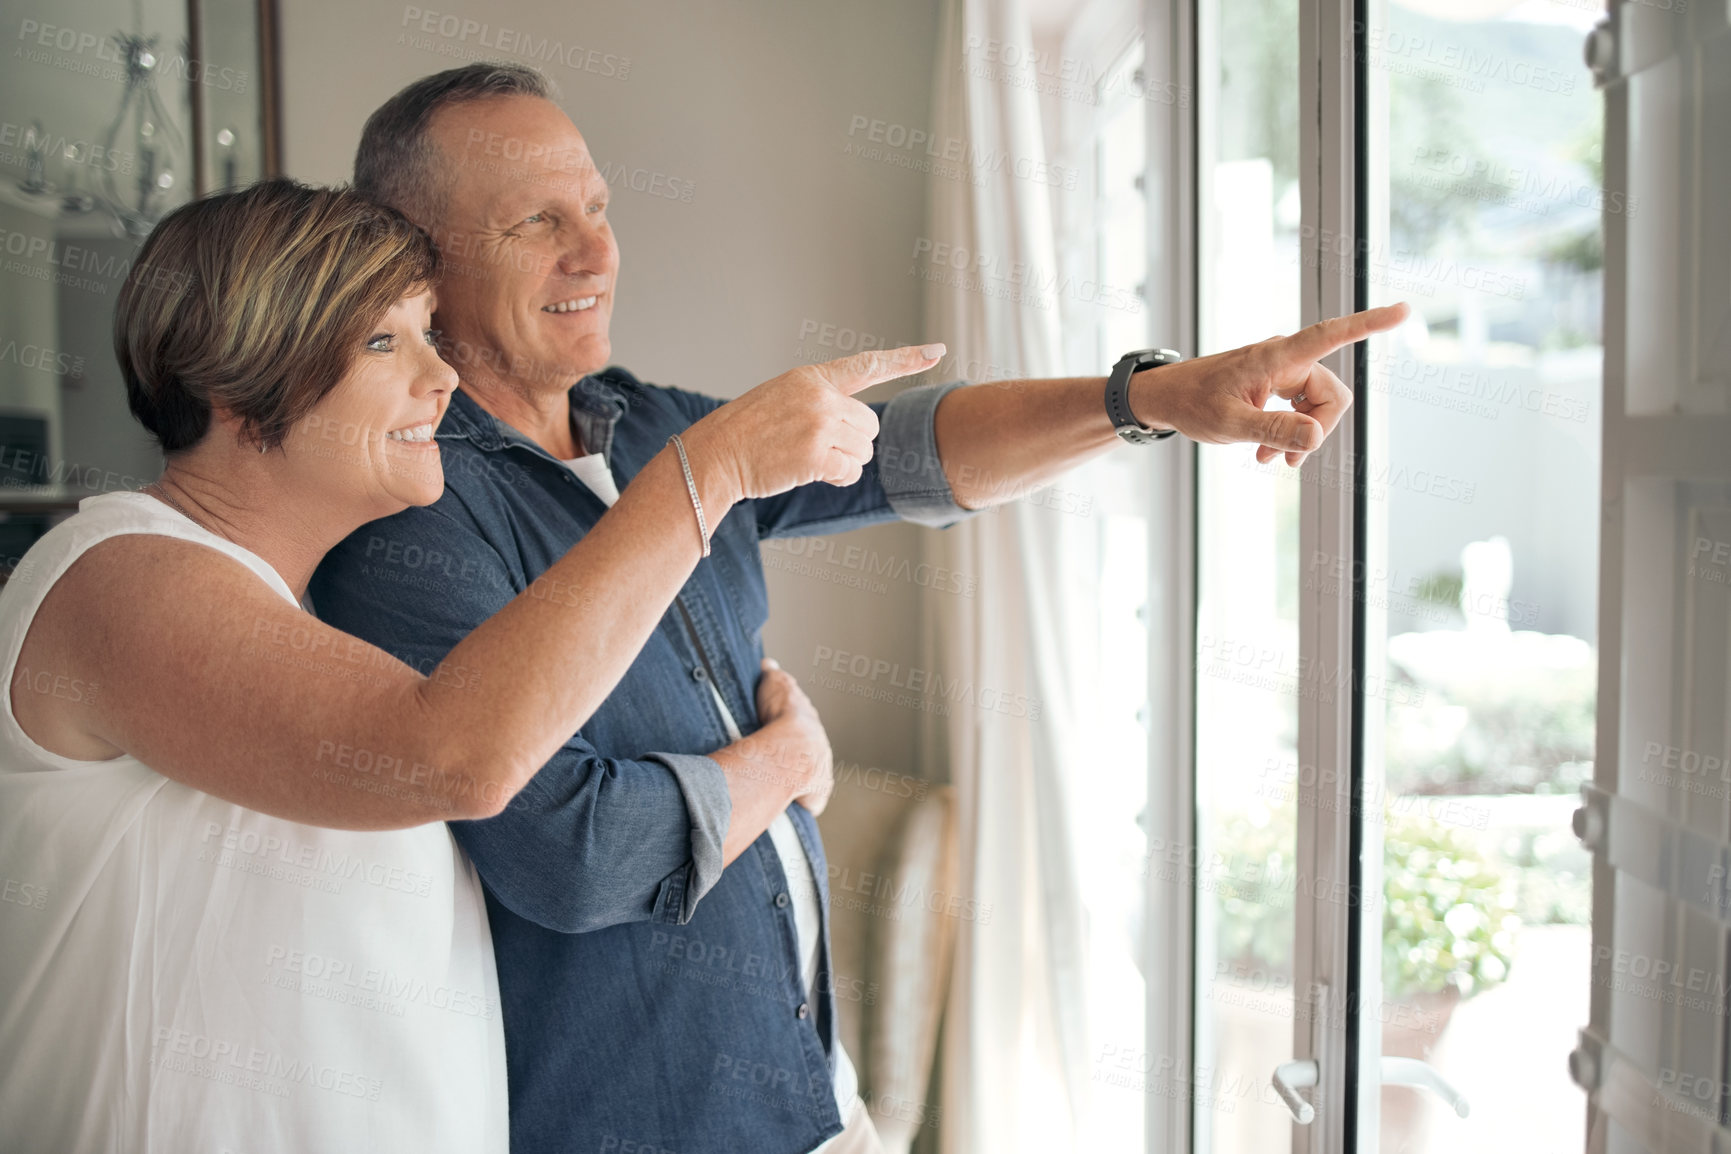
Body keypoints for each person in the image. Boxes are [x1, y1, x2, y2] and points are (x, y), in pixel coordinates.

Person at [312, 63, 1409, 1154]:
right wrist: (785, 761)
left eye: (596, 207)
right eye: (535, 222)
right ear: (413, 263)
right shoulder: (409, 520)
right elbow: (574, 851)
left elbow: (903, 455)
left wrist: (1148, 399)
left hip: (812, 1104)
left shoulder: (642, 428)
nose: (595, 252)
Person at [0, 178, 935, 1152]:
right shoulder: (112, 573)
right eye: (382, 341)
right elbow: (451, 752)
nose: (440, 379)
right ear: (238, 386)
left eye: (429, 333)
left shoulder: (331, 621)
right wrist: (711, 472)